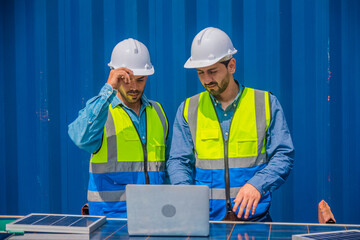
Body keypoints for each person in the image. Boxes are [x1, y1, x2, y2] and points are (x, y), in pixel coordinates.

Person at [167, 27, 294, 222]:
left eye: (213, 71)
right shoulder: (188, 109)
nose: (207, 79)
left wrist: (257, 185)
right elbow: (178, 161)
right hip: (206, 222)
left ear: (231, 65)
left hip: (255, 222)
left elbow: (283, 155)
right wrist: (185, 193)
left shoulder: (265, 103)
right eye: (200, 73)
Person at [68, 38, 169, 218]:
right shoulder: (101, 112)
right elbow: (80, 138)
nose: (134, 87)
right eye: (127, 80)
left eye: (141, 80)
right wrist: (109, 89)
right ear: (114, 75)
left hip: (154, 219)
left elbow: (166, 167)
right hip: (110, 222)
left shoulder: (158, 113)